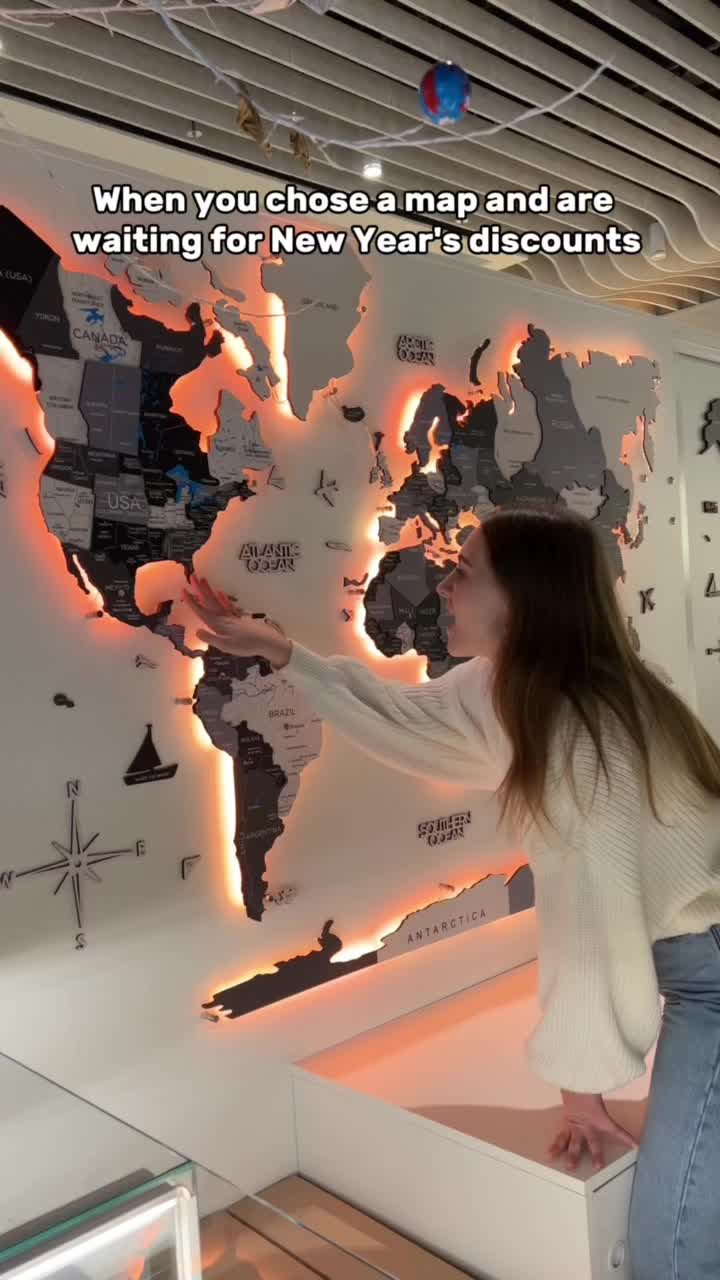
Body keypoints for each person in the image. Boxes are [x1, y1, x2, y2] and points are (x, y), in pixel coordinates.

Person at [184, 503, 720, 1280]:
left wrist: (580, 1090)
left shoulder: (573, 735)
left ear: (522, 600)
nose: (443, 588)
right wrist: (283, 653)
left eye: (465, 573)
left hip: (710, 972)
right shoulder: (537, 687)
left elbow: (590, 923)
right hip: (699, 956)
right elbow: (410, 717)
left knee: (670, 1250)